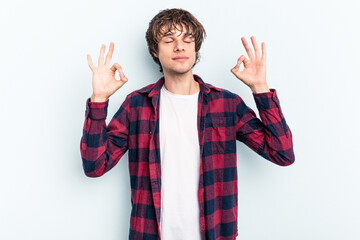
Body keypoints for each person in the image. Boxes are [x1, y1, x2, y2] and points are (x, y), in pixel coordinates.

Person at [80, 8, 295, 240]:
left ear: (195, 48)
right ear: (155, 50)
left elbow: (282, 153)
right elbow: (94, 166)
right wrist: (99, 99)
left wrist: (260, 88)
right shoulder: (136, 105)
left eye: (187, 39)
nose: (179, 46)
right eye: (168, 40)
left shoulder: (226, 104)